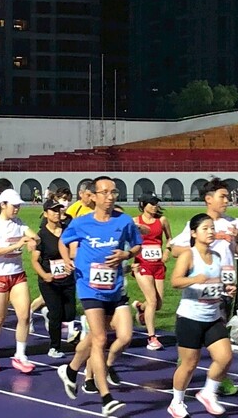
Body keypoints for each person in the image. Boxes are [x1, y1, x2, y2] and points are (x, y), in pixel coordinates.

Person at [56, 176, 141, 417]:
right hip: (89, 286)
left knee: (125, 336)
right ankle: (106, 398)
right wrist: (66, 259)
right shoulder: (81, 223)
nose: (110, 196)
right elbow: (63, 241)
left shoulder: (124, 221)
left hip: (115, 287)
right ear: (93, 196)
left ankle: (70, 370)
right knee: (100, 338)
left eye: (113, 192)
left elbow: (137, 245)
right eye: (104, 192)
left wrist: (126, 255)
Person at [170, 177, 238, 397]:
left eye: (228, 197)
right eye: (222, 196)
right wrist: (199, 251)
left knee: (221, 336)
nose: (227, 201)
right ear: (208, 199)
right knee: (200, 336)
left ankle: (218, 379)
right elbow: (175, 249)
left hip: (226, 286)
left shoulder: (233, 223)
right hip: (202, 287)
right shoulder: (196, 224)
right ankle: (186, 365)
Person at [167, 213, 236, 418]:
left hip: (212, 317)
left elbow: (215, 283)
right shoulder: (189, 255)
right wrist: (194, 279)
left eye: (212, 228)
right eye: (205, 228)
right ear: (194, 233)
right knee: (189, 364)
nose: (210, 232)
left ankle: (208, 392)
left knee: (225, 357)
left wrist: (226, 289)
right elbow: (175, 281)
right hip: (190, 318)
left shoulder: (216, 256)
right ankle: (176, 402)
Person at [0, 188, 40, 373]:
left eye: (18, 206)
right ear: (3, 205)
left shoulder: (19, 223)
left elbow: (34, 236)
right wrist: (16, 245)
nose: (17, 209)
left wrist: (33, 241)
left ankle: (20, 354)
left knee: (24, 316)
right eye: (14, 206)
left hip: (17, 275)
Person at [31, 199, 76, 358]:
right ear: (45, 214)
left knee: (70, 314)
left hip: (67, 279)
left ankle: (48, 313)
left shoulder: (67, 230)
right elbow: (34, 261)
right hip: (49, 281)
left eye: (58, 210)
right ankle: (54, 347)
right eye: (53, 210)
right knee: (56, 314)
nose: (57, 213)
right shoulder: (41, 235)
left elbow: (74, 249)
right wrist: (45, 275)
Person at [131, 192, 172, 351]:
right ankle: (152, 338)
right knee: (153, 301)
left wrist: (167, 251)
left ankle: (141, 307)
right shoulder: (135, 221)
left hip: (158, 265)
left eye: (156, 203)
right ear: (143, 205)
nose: (155, 206)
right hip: (142, 265)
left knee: (158, 304)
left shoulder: (162, 221)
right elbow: (126, 240)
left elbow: (169, 238)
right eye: (151, 203)